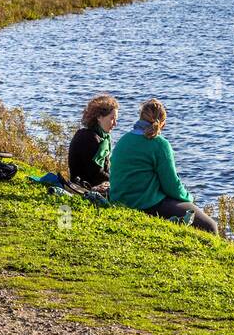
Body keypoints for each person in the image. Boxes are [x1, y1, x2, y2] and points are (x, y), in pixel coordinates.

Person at [108, 99, 217, 234]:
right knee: (210, 226)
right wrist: (189, 198)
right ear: (163, 124)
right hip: (144, 205)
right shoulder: (159, 144)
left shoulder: (125, 139)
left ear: (141, 117)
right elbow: (171, 186)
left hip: (119, 199)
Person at [68, 94, 118, 190]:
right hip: (84, 187)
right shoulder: (89, 138)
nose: (115, 123)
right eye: (112, 119)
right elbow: (96, 175)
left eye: (116, 119)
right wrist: (118, 180)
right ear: (99, 117)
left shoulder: (102, 137)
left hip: (92, 184)